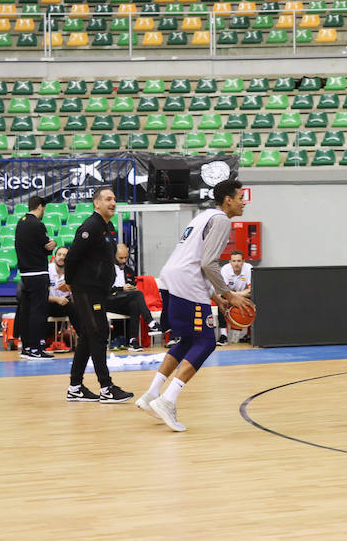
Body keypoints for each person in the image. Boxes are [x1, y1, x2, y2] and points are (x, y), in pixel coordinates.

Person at [135, 178, 254, 431]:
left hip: (171, 277)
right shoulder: (221, 219)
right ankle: (168, 400)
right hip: (187, 282)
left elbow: (196, 260)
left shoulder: (203, 216)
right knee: (206, 342)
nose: (245, 201)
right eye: (241, 197)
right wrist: (229, 295)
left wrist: (215, 297)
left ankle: (151, 395)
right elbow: (207, 263)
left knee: (188, 340)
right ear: (228, 200)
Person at [64, 186, 133, 403]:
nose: (112, 203)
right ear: (97, 203)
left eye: (114, 199)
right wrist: (69, 283)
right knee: (99, 332)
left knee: (88, 334)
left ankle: (75, 387)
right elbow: (72, 257)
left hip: (99, 290)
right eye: (107, 199)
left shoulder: (108, 227)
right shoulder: (90, 227)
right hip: (86, 289)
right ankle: (106, 387)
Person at [14, 195, 57, 360]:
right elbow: (46, 246)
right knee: (38, 312)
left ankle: (26, 347)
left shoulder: (21, 222)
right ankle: (35, 348)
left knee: (26, 312)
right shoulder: (37, 224)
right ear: (40, 206)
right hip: (38, 273)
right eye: (44, 209)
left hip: (24, 275)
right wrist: (51, 245)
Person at [105, 243, 163, 352]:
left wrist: (131, 288)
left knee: (134, 304)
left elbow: (132, 284)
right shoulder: (106, 269)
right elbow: (104, 290)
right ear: (114, 256)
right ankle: (151, 322)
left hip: (125, 299)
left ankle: (132, 340)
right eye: (120, 258)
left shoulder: (129, 270)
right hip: (110, 300)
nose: (123, 260)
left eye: (126, 257)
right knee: (138, 295)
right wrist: (122, 289)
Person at [218, 249, 252, 345]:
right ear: (230, 262)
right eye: (234, 261)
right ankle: (223, 335)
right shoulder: (225, 269)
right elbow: (224, 291)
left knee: (255, 298)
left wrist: (235, 295)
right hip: (230, 296)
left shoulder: (249, 268)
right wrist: (233, 295)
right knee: (221, 300)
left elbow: (251, 290)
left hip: (245, 296)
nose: (236, 264)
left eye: (239, 261)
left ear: (243, 261)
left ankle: (251, 334)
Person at [46, 246, 76, 352]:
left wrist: (69, 288)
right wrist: (56, 299)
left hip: (65, 304)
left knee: (75, 306)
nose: (61, 257)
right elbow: (40, 295)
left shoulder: (73, 272)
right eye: (59, 254)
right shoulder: (47, 270)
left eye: (65, 255)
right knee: (39, 305)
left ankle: (81, 340)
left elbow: (76, 296)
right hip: (48, 303)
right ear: (54, 257)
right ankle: (41, 342)